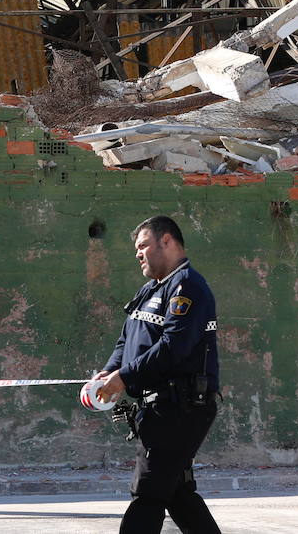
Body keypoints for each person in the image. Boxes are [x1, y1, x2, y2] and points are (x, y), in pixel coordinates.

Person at [94, 215, 221, 534]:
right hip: (157, 407)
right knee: (176, 494)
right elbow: (127, 340)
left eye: (143, 245)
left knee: (148, 494)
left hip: (181, 407)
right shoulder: (150, 290)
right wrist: (109, 372)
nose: (138, 253)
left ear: (167, 241)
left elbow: (173, 347)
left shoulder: (188, 286)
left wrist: (123, 378)